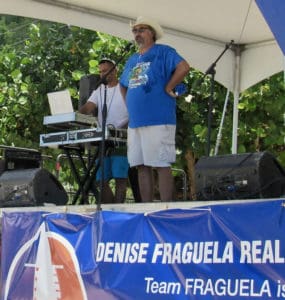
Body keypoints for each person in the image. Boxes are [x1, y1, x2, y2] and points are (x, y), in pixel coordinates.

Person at [120, 16, 190, 202]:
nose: (137, 34)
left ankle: (166, 209)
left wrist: (168, 87)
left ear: (152, 33)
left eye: (141, 29)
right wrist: (131, 106)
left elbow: (183, 67)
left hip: (159, 119)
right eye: (135, 30)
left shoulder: (163, 52)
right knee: (141, 166)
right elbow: (122, 84)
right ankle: (147, 208)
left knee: (160, 164)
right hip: (136, 122)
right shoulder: (133, 59)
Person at [79, 58, 129, 203]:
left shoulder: (124, 88)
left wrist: (124, 128)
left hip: (121, 138)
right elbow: (88, 107)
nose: (102, 74)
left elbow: (134, 112)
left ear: (115, 70)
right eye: (100, 72)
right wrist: (74, 115)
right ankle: (109, 210)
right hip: (103, 139)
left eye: (105, 71)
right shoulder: (99, 90)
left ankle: (117, 210)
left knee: (120, 178)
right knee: (101, 179)